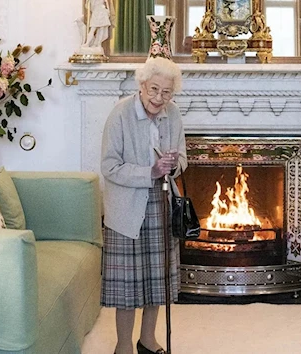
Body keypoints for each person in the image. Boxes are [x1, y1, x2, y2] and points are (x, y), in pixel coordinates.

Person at [100, 57, 187, 354]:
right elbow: (109, 167)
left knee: (156, 281)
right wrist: (150, 171)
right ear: (141, 85)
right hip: (126, 209)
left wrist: (173, 166)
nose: (159, 98)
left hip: (161, 203)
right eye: (154, 90)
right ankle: (123, 346)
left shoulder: (172, 114)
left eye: (166, 93)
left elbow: (183, 160)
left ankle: (147, 340)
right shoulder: (120, 114)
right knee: (127, 287)